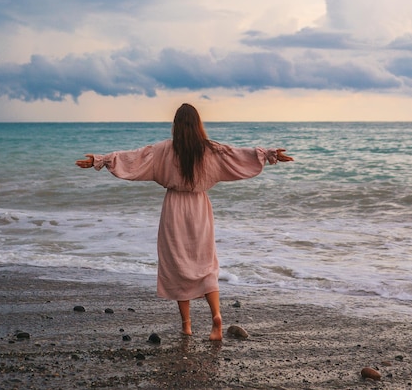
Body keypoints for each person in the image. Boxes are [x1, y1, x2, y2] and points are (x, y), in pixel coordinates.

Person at [75, 103, 293, 341]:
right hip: (200, 209)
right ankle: (216, 317)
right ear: (198, 124)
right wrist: (269, 154)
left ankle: (187, 325)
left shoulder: (164, 150)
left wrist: (102, 160)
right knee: (206, 264)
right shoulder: (211, 150)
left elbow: (135, 158)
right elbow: (238, 156)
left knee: (178, 265)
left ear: (176, 125)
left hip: (174, 209)